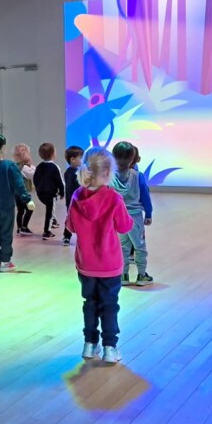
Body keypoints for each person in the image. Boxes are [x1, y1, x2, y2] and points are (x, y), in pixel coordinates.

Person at [65, 147, 134, 364]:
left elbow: (70, 226)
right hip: (110, 265)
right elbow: (124, 226)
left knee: (90, 302)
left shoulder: (77, 196)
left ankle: (89, 344)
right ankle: (110, 348)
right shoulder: (113, 198)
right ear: (106, 173)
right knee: (110, 305)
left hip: (86, 264)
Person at [0, 131, 34, 272]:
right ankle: (5, 262)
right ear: (3, 148)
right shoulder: (10, 166)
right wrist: (27, 200)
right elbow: (19, 185)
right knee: (6, 233)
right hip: (7, 207)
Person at [111, 141, 153, 286]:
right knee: (139, 246)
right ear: (132, 158)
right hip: (135, 217)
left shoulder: (109, 177)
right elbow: (145, 196)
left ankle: (123, 275)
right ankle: (141, 275)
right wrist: (149, 213)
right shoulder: (138, 175)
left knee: (123, 246)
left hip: (118, 218)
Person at [34, 142, 66, 239]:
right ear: (53, 154)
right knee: (50, 211)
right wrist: (62, 192)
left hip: (40, 193)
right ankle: (47, 231)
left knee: (50, 209)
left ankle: (53, 222)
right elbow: (60, 181)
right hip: (50, 194)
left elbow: (35, 179)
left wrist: (38, 188)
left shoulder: (39, 166)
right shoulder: (55, 167)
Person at [61, 145, 83, 247]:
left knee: (74, 219)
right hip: (73, 201)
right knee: (72, 219)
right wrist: (75, 200)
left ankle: (73, 237)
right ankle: (67, 237)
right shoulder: (72, 173)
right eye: (80, 157)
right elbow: (70, 189)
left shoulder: (74, 171)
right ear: (72, 159)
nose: (82, 160)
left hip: (75, 201)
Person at [12, 143, 36, 235]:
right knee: (30, 208)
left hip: (16, 193)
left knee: (20, 211)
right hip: (24, 193)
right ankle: (24, 227)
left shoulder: (14, 166)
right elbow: (32, 174)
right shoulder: (24, 167)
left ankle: (19, 227)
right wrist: (32, 165)